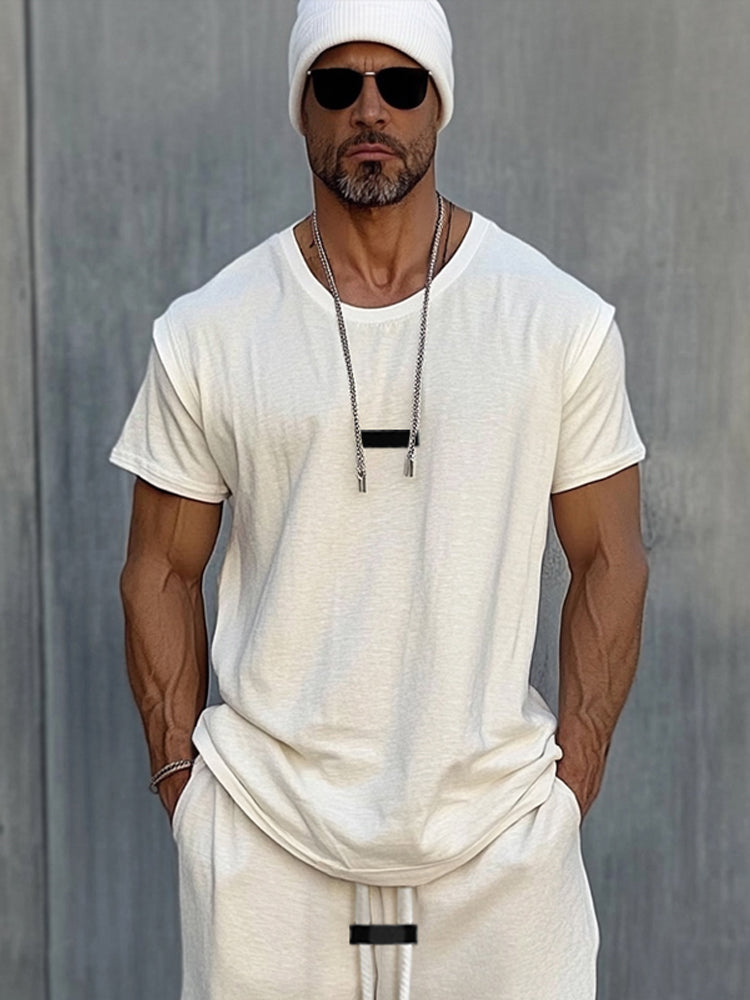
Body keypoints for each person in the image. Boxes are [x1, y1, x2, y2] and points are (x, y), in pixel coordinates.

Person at [109, 1, 649, 997]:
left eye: (400, 83)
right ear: (302, 108)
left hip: (496, 853)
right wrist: (185, 793)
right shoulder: (211, 335)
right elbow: (159, 569)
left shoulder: (555, 323)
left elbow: (610, 558)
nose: (370, 109)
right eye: (337, 84)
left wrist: (571, 787)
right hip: (267, 851)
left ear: (438, 102)